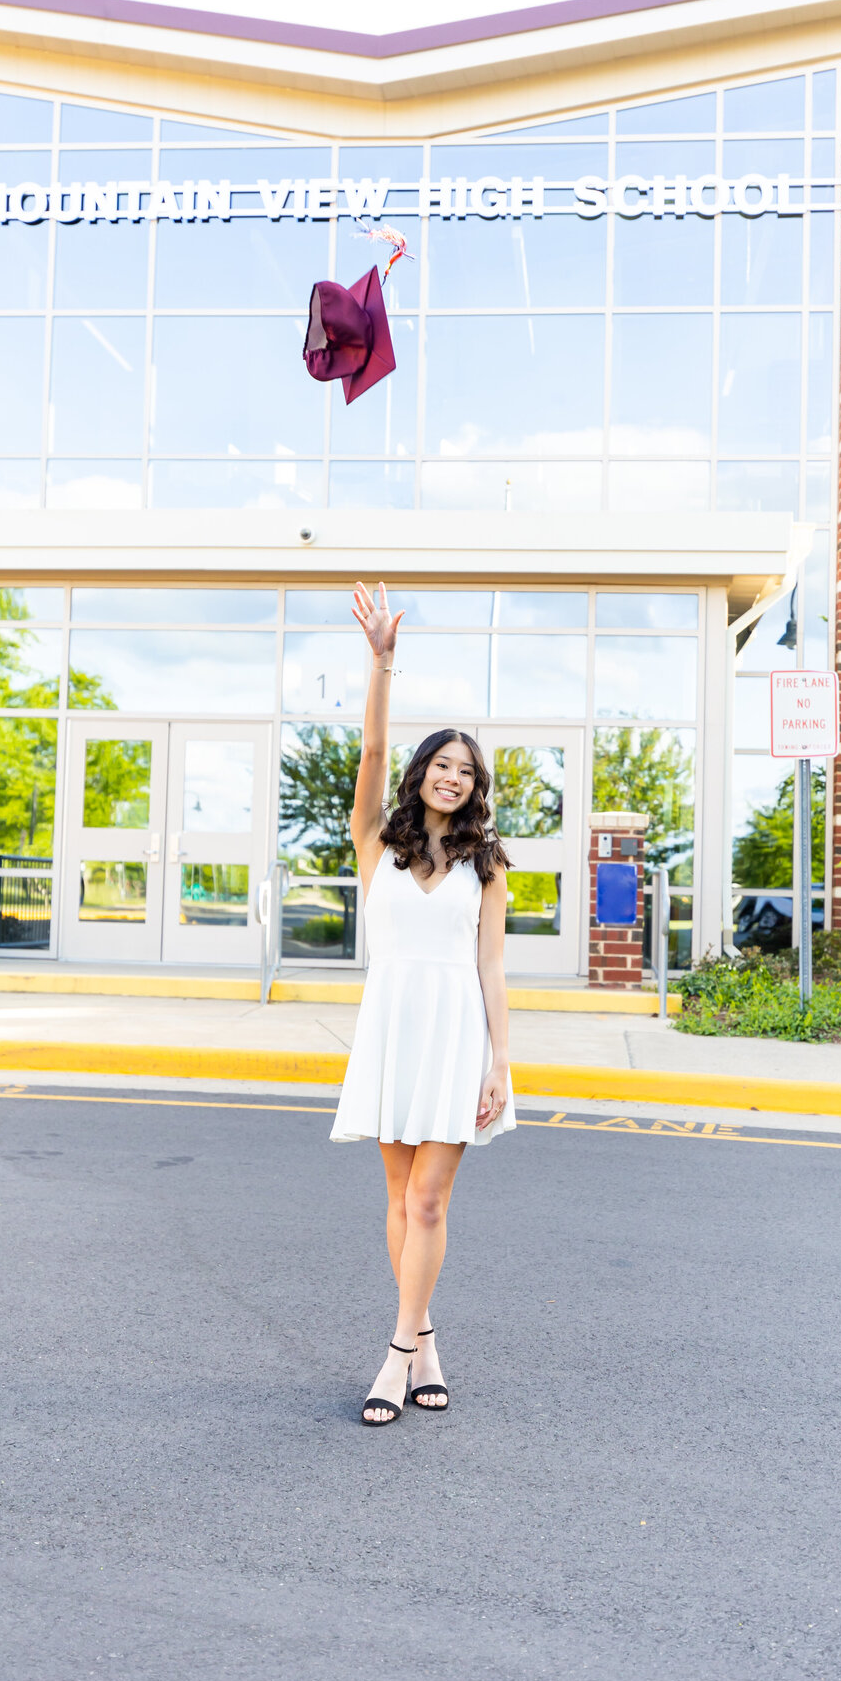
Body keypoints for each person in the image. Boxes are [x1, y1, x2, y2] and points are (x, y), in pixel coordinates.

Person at [331, 581, 516, 1426]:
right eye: (442, 765)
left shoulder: (489, 863)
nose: (452, 778)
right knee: (400, 1201)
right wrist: (382, 664)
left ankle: (397, 1354)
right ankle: (429, 1339)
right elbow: (369, 750)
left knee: (433, 1201)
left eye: (466, 771)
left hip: (453, 1033)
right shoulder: (378, 840)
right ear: (421, 775)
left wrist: (499, 1062)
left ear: (475, 788)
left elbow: (492, 968)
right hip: (393, 1025)